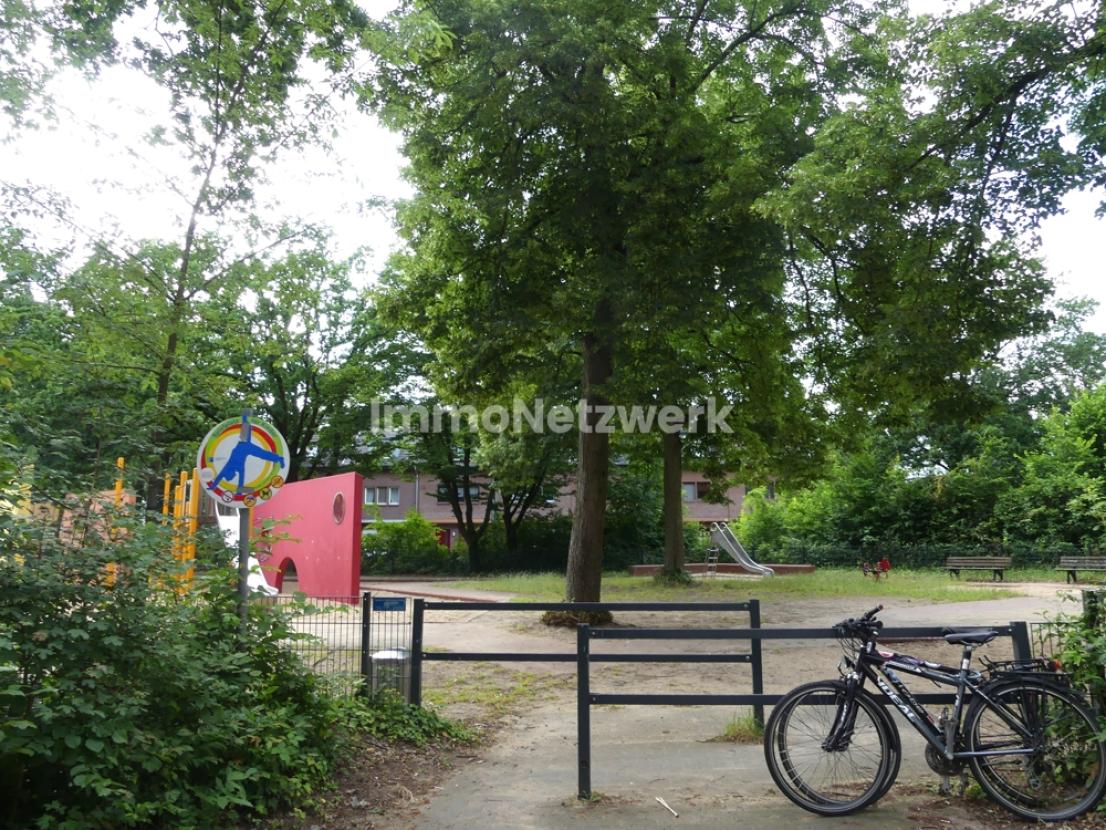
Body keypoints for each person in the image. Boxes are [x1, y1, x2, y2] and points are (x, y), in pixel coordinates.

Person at [207, 412, 284, 495]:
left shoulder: (227, 467)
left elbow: (219, 477)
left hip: (242, 444)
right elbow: (241, 481)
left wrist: (213, 487)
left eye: (232, 476)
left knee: (260, 451)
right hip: (247, 448)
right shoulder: (238, 469)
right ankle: (279, 458)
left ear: (229, 473)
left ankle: (245, 416)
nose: (234, 476)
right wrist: (239, 493)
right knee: (262, 454)